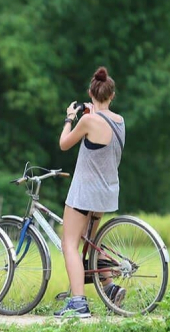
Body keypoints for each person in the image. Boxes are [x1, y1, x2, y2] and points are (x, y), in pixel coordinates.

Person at [55, 66, 126, 319]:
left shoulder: (87, 121)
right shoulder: (119, 121)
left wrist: (69, 118)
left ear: (90, 92)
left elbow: (64, 144)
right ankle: (109, 287)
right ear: (112, 95)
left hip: (84, 193)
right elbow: (101, 129)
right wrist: (92, 112)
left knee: (69, 244)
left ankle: (78, 303)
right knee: (90, 242)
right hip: (107, 192)